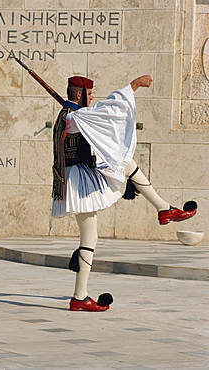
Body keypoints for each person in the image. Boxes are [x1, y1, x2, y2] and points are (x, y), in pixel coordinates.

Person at [52, 75, 197, 312]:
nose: (92, 97)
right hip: (79, 184)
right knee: (89, 239)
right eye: (89, 94)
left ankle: (164, 209)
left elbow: (97, 114)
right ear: (78, 94)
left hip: (78, 178)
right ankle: (79, 297)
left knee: (125, 163)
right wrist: (133, 86)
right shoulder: (76, 117)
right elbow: (108, 110)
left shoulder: (71, 115)